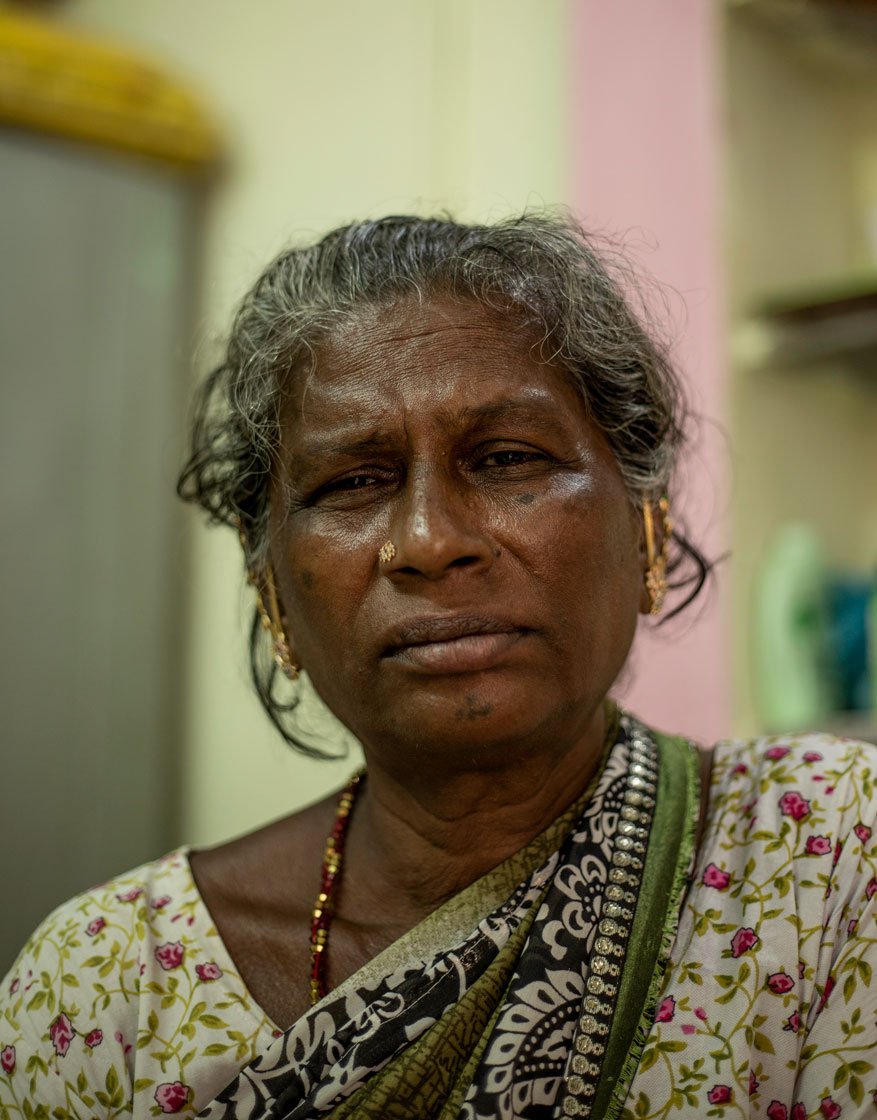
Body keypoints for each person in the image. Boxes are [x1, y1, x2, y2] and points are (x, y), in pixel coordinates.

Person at [2, 214, 875, 1120]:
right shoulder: (108, 982)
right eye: (353, 482)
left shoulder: (833, 862)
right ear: (273, 597)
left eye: (506, 460)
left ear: (645, 530)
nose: (428, 541)